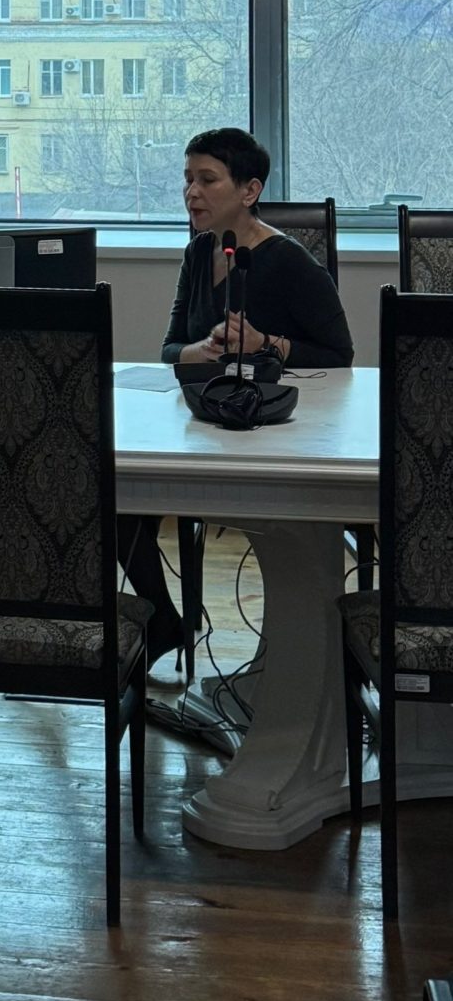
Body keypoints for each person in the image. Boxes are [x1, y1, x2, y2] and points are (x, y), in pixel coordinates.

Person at [121, 127, 354, 663]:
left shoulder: (289, 260)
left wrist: (265, 344)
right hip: (203, 425)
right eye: (187, 180)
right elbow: (169, 349)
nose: (191, 193)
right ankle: (163, 619)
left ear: (249, 190)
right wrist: (202, 349)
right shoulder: (198, 251)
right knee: (119, 502)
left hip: (273, 437)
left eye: (207, 180)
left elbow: (339, 354)